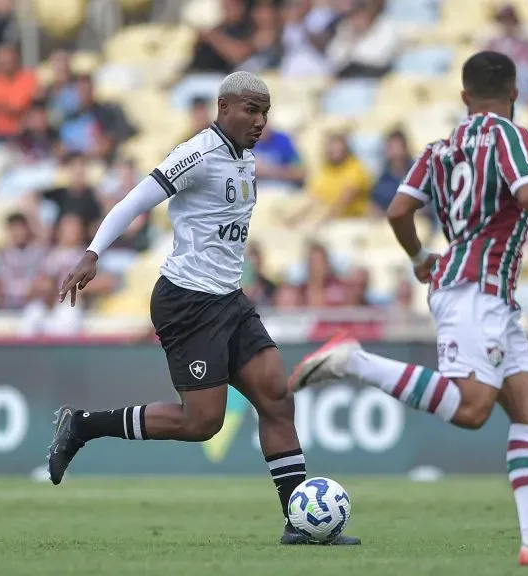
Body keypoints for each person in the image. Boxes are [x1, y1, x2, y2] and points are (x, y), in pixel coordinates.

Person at [288, 51, 528, 566]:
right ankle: (355, 362)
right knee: (473, 408)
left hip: (480, 288)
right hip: (477, 287)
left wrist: (418, 256)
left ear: (463, 96)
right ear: (515, 94)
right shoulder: (510, 136)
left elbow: (399, 209)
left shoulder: (440, 147)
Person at [48, 71, 359, 546]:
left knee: (276, 395)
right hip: (187, 302)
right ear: (224, 107)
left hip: (229, 299)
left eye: (266, 112)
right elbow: (134, 200)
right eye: (251, 110)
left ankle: (301, 524)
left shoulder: (246, 158)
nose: (260, 121)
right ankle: (83, 426)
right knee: (203, 423)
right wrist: (92, 252)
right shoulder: (198, 154)